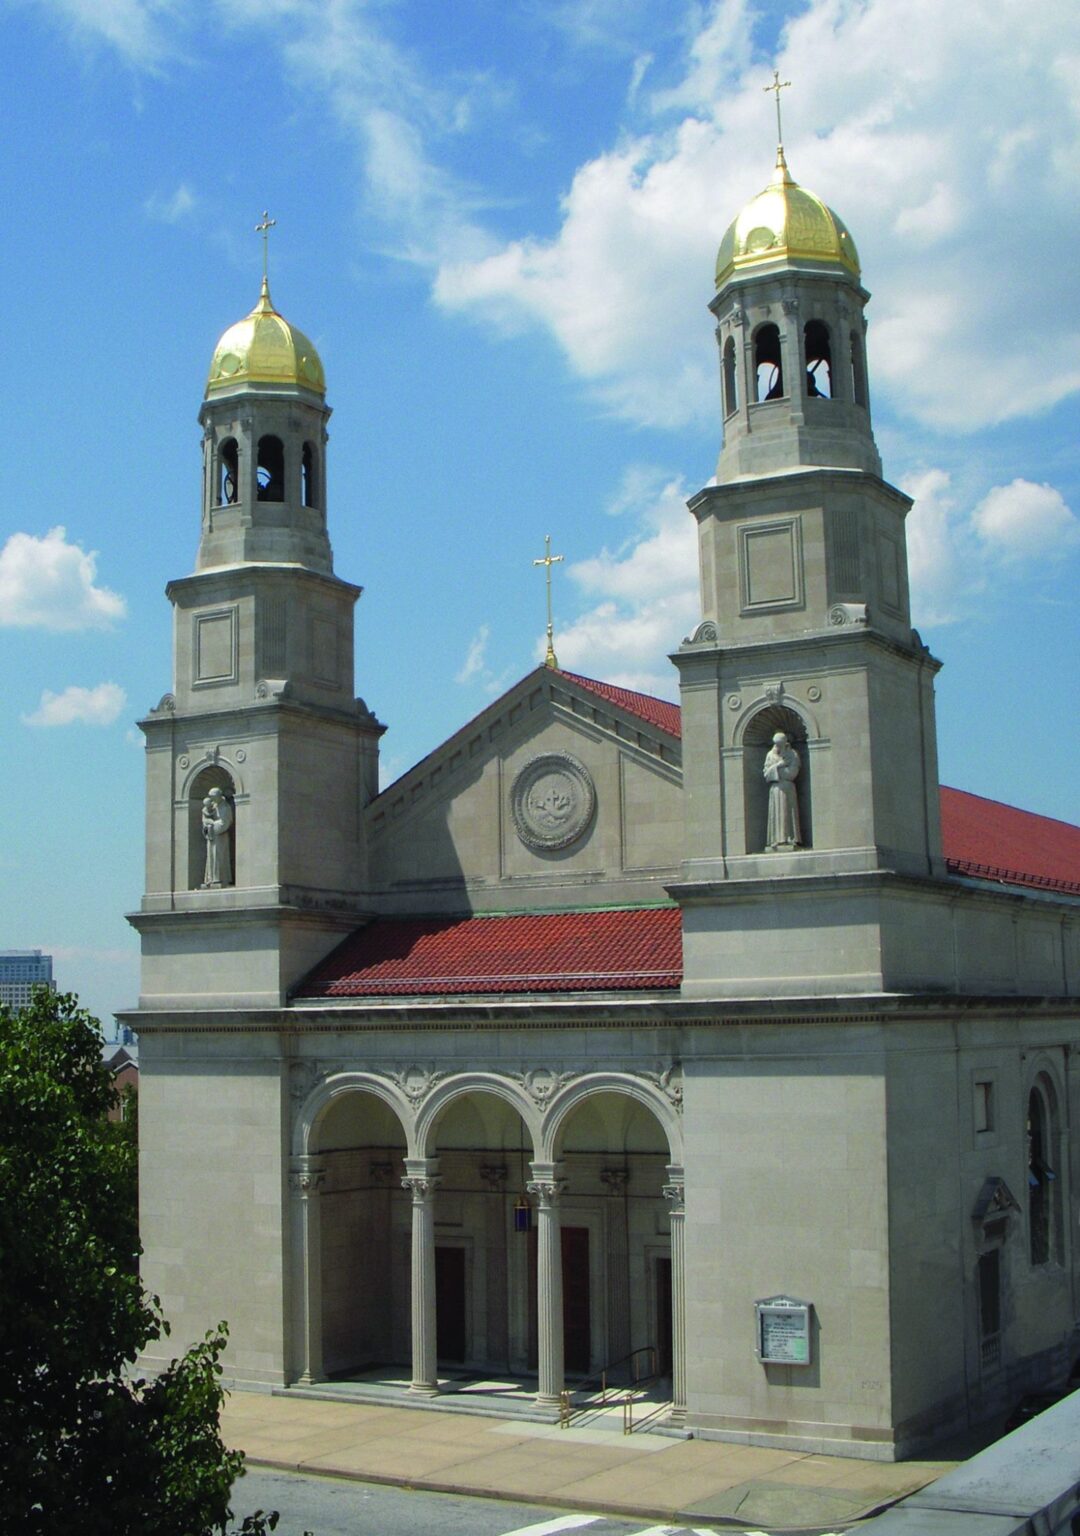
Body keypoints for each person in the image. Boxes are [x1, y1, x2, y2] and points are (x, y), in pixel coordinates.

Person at [763, 732, 801, 850]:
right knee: (777, 814)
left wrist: (778, 772)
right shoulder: (770, 755)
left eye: (780, 744)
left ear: (785, 743)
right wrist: (779, 765)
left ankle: (790, 838)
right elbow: (766, 774)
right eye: (776, 745)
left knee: (787, 812)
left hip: (788, 788)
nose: (778, 747)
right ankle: (776, 839)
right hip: (775, 789)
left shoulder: (793, 754)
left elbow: (792, 773)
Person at [201, 787, 234, 887]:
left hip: (220, 837)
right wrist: (207, 825)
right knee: (211, 857)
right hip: (211, 837)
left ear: (219, 796)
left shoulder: (225, 807)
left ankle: (219, 878)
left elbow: (225, 823)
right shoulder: (213, 806)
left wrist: (212, 825)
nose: (212, 800)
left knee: (219, 856)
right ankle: (210, 878)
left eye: (213, 797)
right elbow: (205, 818)